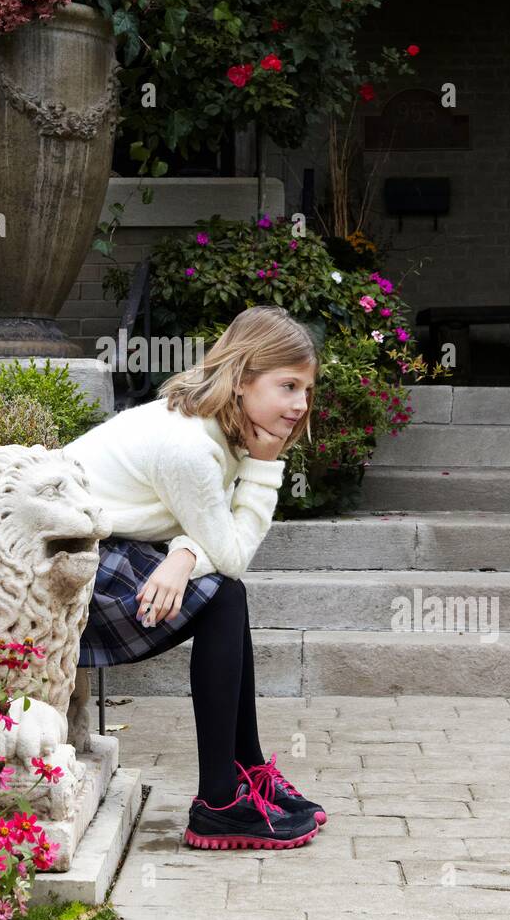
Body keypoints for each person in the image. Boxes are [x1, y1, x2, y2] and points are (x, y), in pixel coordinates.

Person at [61, 304, 328, 850]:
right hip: (61, 576)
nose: (301, 405)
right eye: (288, 386)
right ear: (242, 378)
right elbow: (230, 554)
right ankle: (220, 801)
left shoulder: (213, 428)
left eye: (306, 389)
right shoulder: (190, 447)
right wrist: (264, 467)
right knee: (225, 597)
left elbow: (213, 541)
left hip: (99, 551)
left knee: (225, 595)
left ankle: (243, 777)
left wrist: (183, 556)